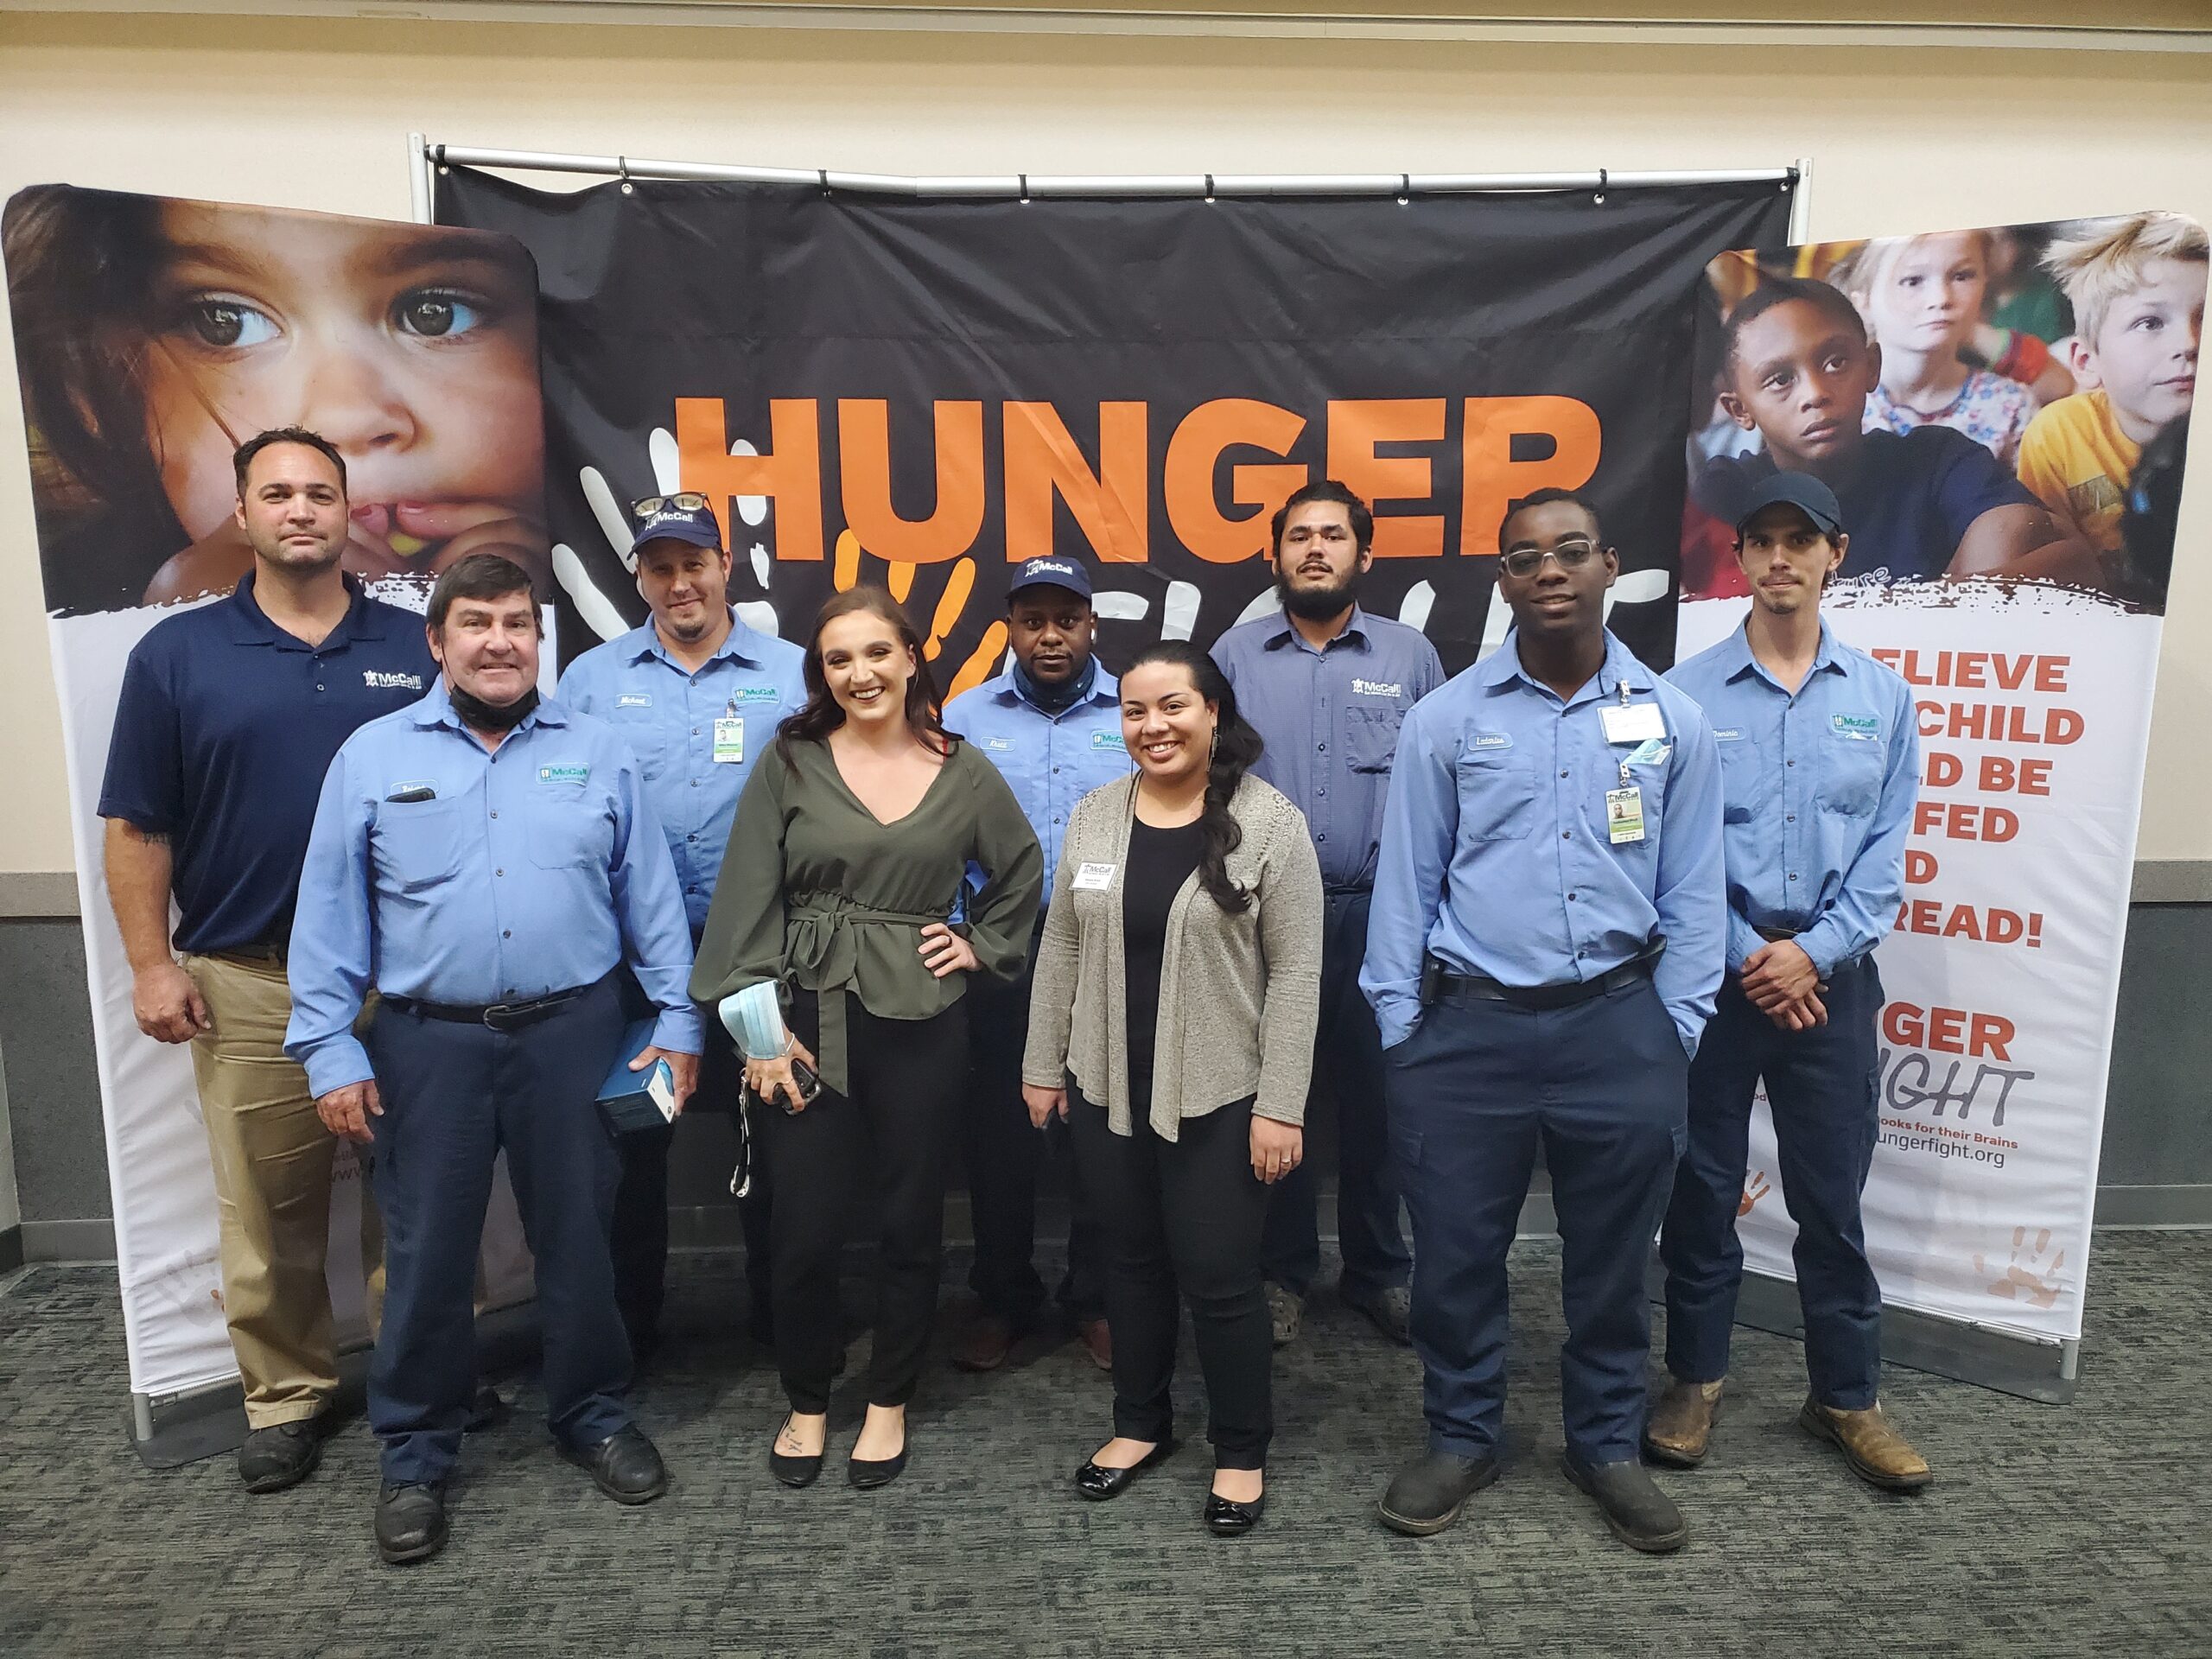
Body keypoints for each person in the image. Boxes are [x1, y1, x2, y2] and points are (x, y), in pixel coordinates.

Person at [285, 553, 702, 1566]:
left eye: (518, 622)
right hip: (429, 1044)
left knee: (580, 1239)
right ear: (437, 641)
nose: (500, 641)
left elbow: (650, 900)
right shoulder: (373, 757)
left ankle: (592, 1413)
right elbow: (330, 913)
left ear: (538, 637)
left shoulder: (597, 752)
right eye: (476, 623)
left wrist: (679, 1026)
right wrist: (330, 1046)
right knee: (428, 1257)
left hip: (578, 1034)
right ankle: (416, 1455)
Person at [1363, 487, 1726, 1554]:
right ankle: (1463, 1433)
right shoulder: (1447, 719)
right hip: (1462, 1035)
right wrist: (1401, 1033)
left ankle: (1605, 1443)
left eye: (1571, 550)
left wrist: (1676, 1030)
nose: (1550, 570)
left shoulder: (1672, 721)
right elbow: (1406, 885)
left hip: (1619, 1029)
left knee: (1612, 1260)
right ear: (1504, 582)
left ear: (1611, 565)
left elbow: (1697, 891)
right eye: (1526, 557)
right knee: (1455, 1258)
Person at [97, 427, 435, 1497]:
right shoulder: (175, 656)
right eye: (277, 493)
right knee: (268, 1208)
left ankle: (421, 1382)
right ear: (240, 515)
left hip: (410, 978)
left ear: (350, 514)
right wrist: (153, 965)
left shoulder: (417, 643)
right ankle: (287, 1398)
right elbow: (138, 829)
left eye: (320, 493)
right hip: (253, 979)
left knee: (422, 1198)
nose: (300, 510)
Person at [690, 586, 1041, 1491]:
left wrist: (979, 944)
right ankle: (808, 1400)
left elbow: (1019, 873)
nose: (860, 674)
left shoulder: (962, 767)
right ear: (822, 674)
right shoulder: (791, 762)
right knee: (802, 1228)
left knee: (908, 1222)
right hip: (803, 1022)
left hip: (923, 1023)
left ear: (911, 658)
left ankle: (888, 1399)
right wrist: (759, 1036)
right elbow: (745, 902)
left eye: (876, 653)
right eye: (838, 660)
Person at [1656, 473, 1931, 1494]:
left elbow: (1885, 854)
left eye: (1798, 541)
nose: (1779, 558)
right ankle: (1695, 1379)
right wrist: (1746, 954)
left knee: (1831, 1203)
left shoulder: (1881, 697)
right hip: (1716, 980)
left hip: (1831, 983)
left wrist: (1811, 954)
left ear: (1833, 553)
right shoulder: (1681, 695)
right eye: (1761, 541)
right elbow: (1669, 858)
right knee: (1701, 1193)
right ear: (1739, 557)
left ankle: (1845, 1397)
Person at [1024, 640, 1321, 1536]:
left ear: (1213, 715)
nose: (1150, 727)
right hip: (1108, 1083)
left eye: (1171, 708)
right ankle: (1138, 1426)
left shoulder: (1270, 824)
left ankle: (1239, 1450)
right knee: (1130, 1265)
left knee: (1222, 1280)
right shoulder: (1094, 816)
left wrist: (1280, 1104)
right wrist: (1043, 1063)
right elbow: (1063, 947)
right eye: (1132, 710)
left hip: (1223, 1091)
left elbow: (1298, 973)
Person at [1, 185, 546, 614]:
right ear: (114, 385)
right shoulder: (73, 604)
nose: (343, 420)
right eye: (226, 324)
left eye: (434, 312)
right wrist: (191, 617)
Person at [558, 494, 808, 1361]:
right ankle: (629, 1337)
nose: (678, 583)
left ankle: (788, 1335)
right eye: (659, 567)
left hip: (757, 957)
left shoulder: (791, 672)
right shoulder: (589, 681)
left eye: (693, 563)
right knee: (632, 1145)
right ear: (639, 576)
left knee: (780, 1134)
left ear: (724, 567)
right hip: (636, 959)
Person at [1211, 480, 1440, 1349]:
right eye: (1298, 536)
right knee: (1277, 1099)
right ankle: (1282, 1272)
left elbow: (1441, 791)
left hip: (1380, 919)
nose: (1314, 549)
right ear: (1275, 557)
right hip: (1260, 924)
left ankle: (1380, 1270)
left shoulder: (1409, 657)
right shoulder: (1233, 658)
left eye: (1332, 536)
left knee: (1381, 1104)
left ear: (1363, 555)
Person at [940, 554, 1127, 1373]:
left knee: (1103, 1130)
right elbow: (939, 835)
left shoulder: (1135, 710)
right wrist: (959, 934)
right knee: (1001, 1138)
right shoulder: (967, 715)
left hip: (1108, 948)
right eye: (1032, 620)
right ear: (1010, 628)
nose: (1050, 636)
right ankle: (1003, 1297)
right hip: (1003, 953)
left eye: (1066, 619)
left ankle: (1096, 1295)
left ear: (1092, 624)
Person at [1687, 275, 2095, 592]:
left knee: (2012, 524)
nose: (1815, 394)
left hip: (1926, 685)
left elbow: (2069, 556)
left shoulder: (1937, 459)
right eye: (1779, 380)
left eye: (1835, 364)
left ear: (1871, 367)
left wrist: (1936, 612)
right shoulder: (1728, 492)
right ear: (1740, 410)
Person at [2018, 213, 2206, 561]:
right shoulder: (2058, 436)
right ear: (2087, 362)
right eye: (2150, 322)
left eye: (2206, 318)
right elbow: (2052, 568)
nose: (2190, 343)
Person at [1843, 232, 2037, 467]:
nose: (1941, 298)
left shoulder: (2011, 407)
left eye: (1962, 276)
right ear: (1863, 303)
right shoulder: (1838, 404)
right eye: (1912, 281)